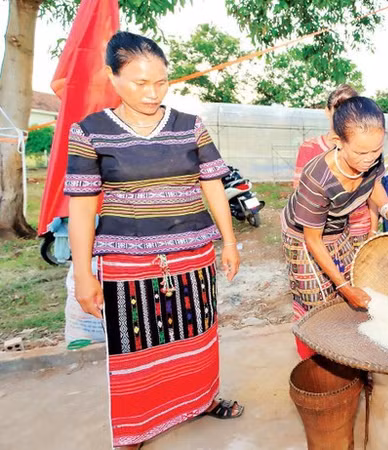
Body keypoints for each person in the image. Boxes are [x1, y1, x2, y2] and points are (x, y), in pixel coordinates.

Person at [66, 32, 243, 450]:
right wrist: (83, 274)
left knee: (197, 336)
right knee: (137, 347)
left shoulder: (190, 126)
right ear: (112, 77)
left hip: (192, 256)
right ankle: (136, 427)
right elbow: (82, 209)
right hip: (127, 265)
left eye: (161, 82)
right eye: (139, 83)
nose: (152, 92)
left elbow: (214, 185)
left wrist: (230, 242)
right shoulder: (90, 132)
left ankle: (201, 400)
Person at [282, 96, 388, 359]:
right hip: (304, 237)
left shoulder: (372, 155)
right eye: (361, 153)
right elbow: (314, 241)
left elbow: (373, 184)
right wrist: (343, 287)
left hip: (337, 228)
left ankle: (346, 353)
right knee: (318, 299)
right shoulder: (318, 178)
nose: (370, 158)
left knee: (355, 284)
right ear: (338, 143)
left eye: (376, 150)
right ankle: (317, 360)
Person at [292, 85, 375, 248]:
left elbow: (372, 189)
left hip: (359, 228)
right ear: (327, 111)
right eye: (337, 112)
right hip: (323, 233)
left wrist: (373, 227)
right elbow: (300, 192)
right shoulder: (310, 148)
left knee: (358, 273)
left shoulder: (364, 148)